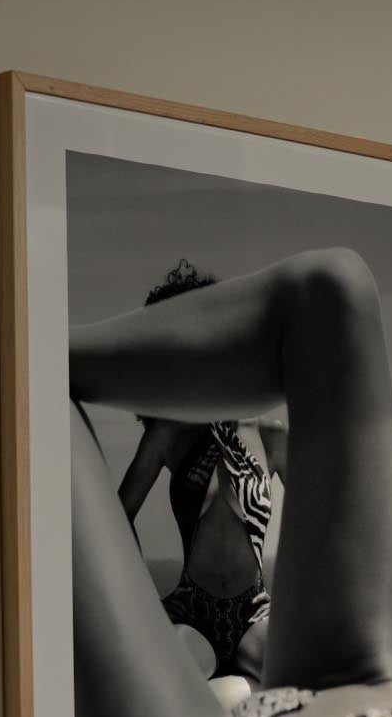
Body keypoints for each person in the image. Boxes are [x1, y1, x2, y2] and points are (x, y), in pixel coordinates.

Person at [67, 245, 392, 717]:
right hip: (370, 685)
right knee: (335, 291)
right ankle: (41, 350)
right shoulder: (173, 442)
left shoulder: (252, 442)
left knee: (37, 397)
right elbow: (123, 506)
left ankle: (28, 356)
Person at [114, 260, 287, 688]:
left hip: (254, 612)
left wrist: (295, 603)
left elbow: (317, 526)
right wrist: (140, 603)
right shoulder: (168, 432)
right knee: (166, 681)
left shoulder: (269, 433)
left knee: (293, 676)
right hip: (192, 611)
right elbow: (119, 514)